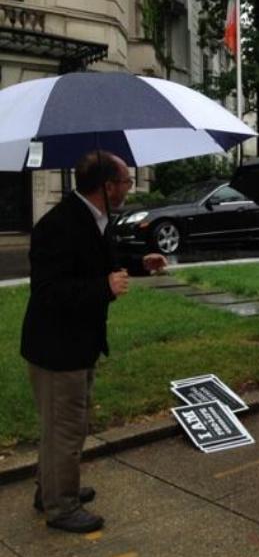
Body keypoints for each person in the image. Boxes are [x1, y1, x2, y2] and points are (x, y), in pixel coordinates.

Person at [20, 150, 167, 533]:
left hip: (79, 343)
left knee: (68, 424)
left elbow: (104, 263)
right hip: (56, 347)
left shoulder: (95, 218)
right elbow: (49, 291)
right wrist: (103, 287)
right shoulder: (58, 224)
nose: (128, 188)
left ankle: (48, 488)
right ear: (107, 185)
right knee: (66, 428)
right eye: (125, 182)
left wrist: (139, 264)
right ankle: (62, 506)